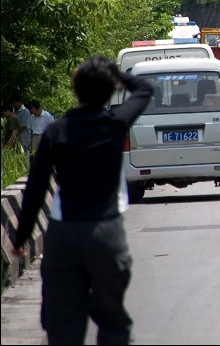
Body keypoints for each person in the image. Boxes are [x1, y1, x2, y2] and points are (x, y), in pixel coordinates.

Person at [11, 55, 152, 345]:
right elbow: (145, 89)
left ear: (75, 89)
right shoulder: (115, 123)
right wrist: (114, 74)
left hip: (63, 235)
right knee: (113, 322)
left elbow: (35, 190)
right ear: (110, 90)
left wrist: (21, 238)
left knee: (62, 326)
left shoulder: (56, 131)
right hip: (105, 233)